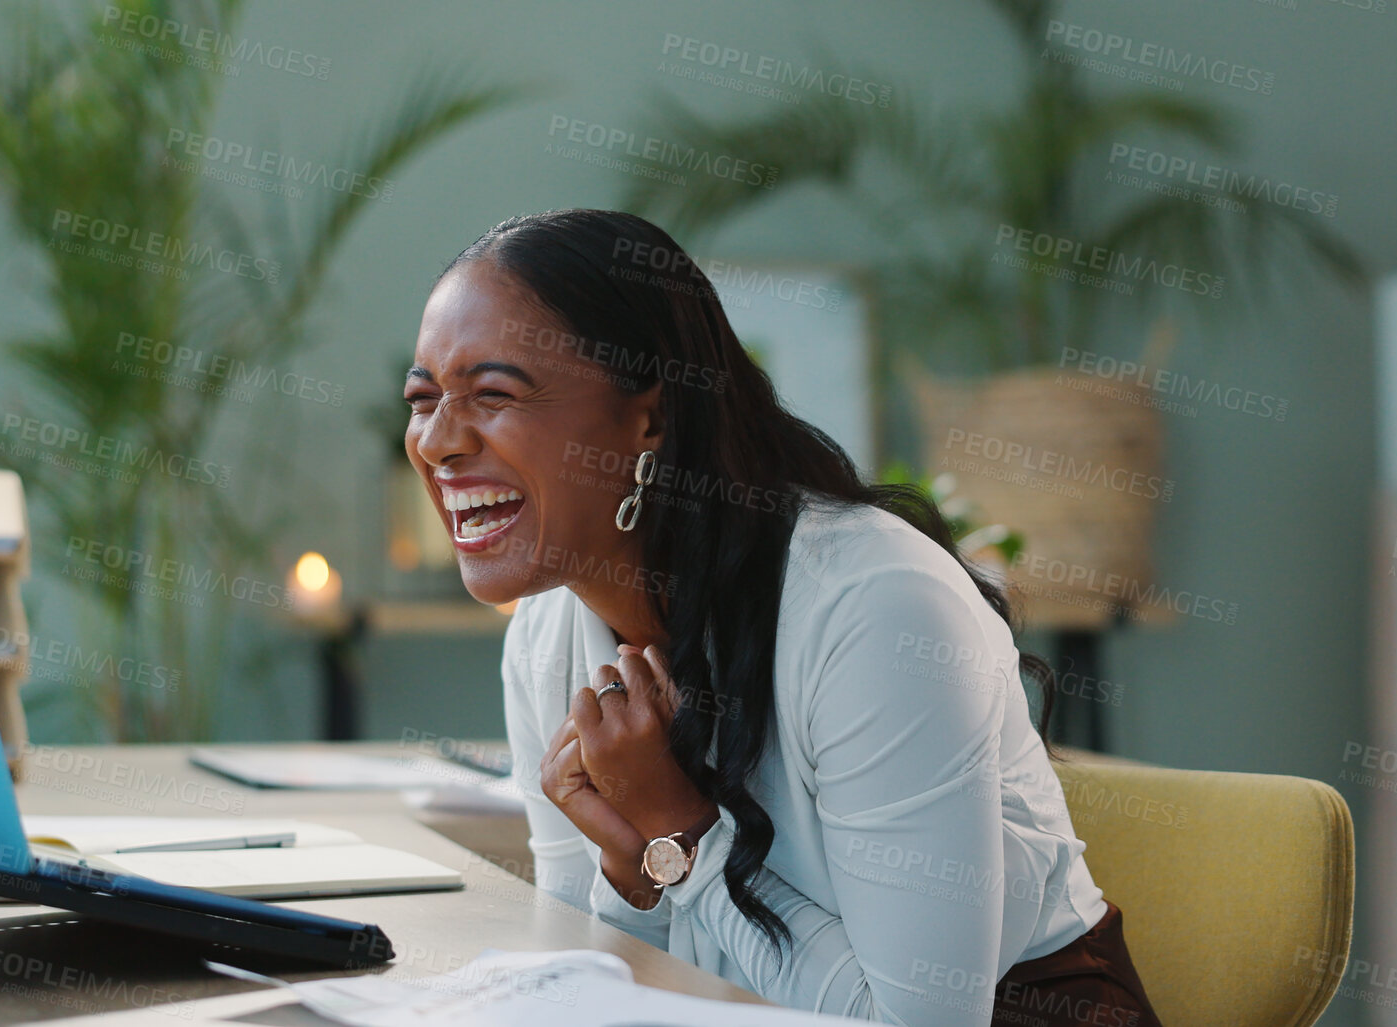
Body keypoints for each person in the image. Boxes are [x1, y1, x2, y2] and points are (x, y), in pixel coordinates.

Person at [404, 207, 1162, 1025]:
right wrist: (635, 874)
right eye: (421, 400)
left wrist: (682, 834)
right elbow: (589, 988)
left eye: (491, 394)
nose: (438, 441)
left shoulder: (875, 609)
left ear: (649, 419)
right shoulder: (545, 637)